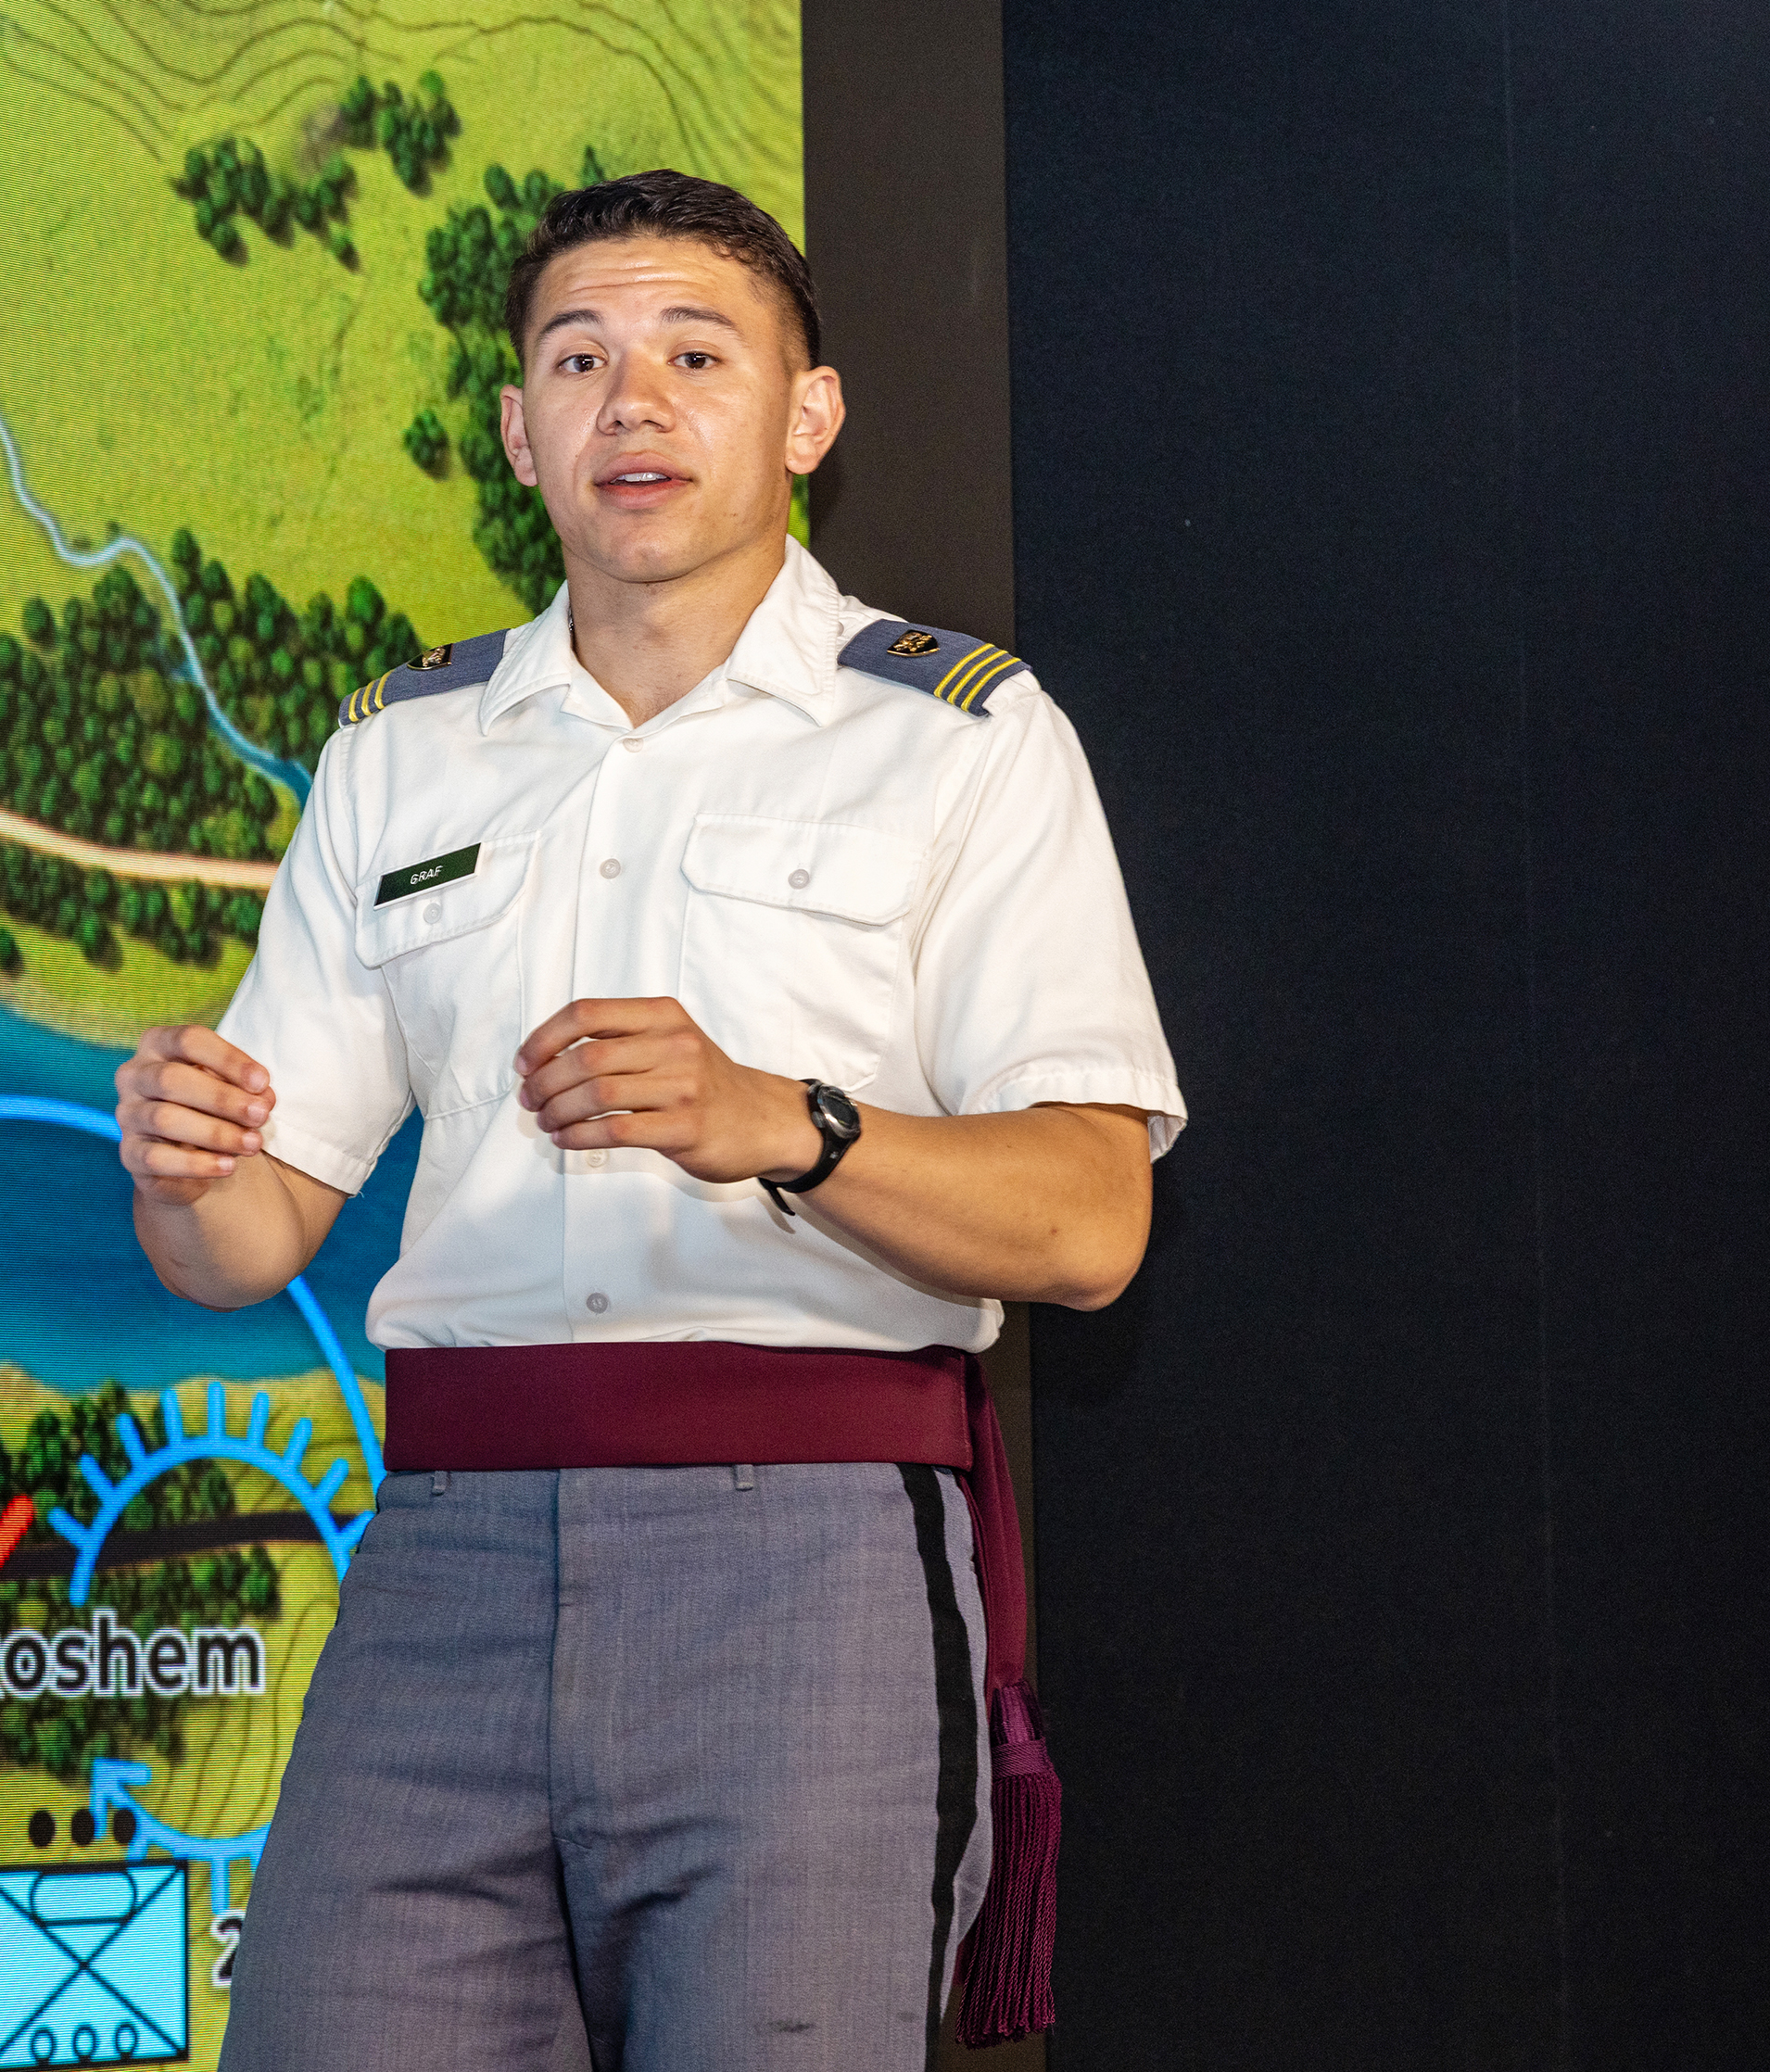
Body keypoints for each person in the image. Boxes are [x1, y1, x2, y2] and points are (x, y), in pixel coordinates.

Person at [118, 169, 1184, 2072]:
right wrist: (186, 1163)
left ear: (806, 418)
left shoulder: (960, 736)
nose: (636, 402)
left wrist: (787, 1119)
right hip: (442, 1555)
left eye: (698, 354)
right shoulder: (398, 751)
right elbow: (253, 1235)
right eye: (581, 358)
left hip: (816, 1567)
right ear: (518, 428)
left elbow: (1094, 1219)